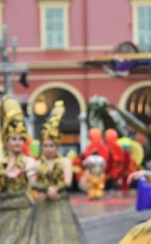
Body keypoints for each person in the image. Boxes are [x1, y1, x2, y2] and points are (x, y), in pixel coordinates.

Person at [30, 100, 86, 243]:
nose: (48, 148)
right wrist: (45, 190)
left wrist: (54, 190)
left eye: (51, 145)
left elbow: (67, 181)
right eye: (45, 145)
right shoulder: (37, 163)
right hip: (42, 204)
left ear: (57, 146)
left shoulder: (64, 161)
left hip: (59, 202)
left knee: (61, 236)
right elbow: (32, 181)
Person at [0, 95, 37, 244]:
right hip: (3, 211)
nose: (18, 142)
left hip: (25, 210)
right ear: (6, 141)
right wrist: (5, 175)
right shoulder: (1, 162)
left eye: (21, 139)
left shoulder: (29, 161)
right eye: (13, 139)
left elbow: (34, 185)